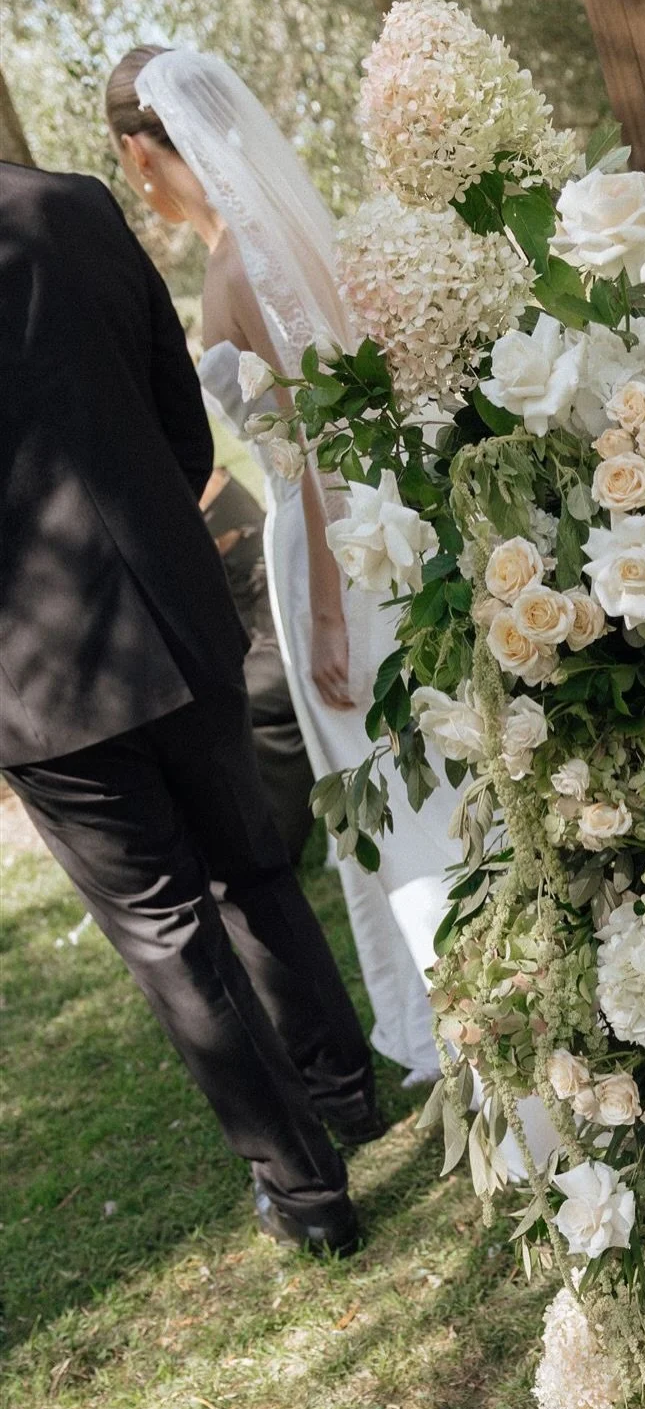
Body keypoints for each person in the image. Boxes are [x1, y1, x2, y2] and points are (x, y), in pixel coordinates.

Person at [0, 158, 380, 1255]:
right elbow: (181, 415)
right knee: (250, 863)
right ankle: (345, 1087)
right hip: (175, 599)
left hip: (36, 675)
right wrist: (157, 534)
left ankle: (310, 1192)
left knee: (169, 930)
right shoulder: (70, 203)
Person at [105, 46, 455, 1085]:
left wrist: (333, 616)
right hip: (364, 533)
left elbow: (316, 444)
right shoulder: (272, 244)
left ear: (141, 151)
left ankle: (474, 1026)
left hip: (331, 552)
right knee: (410, 780)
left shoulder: (241, 267)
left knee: (395, 788)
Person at [200, 465, 316, 864]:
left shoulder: (203, 501)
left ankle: (272, 846)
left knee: (226, 705)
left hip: (283, 642)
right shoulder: (205, 492)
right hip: (263, 640)